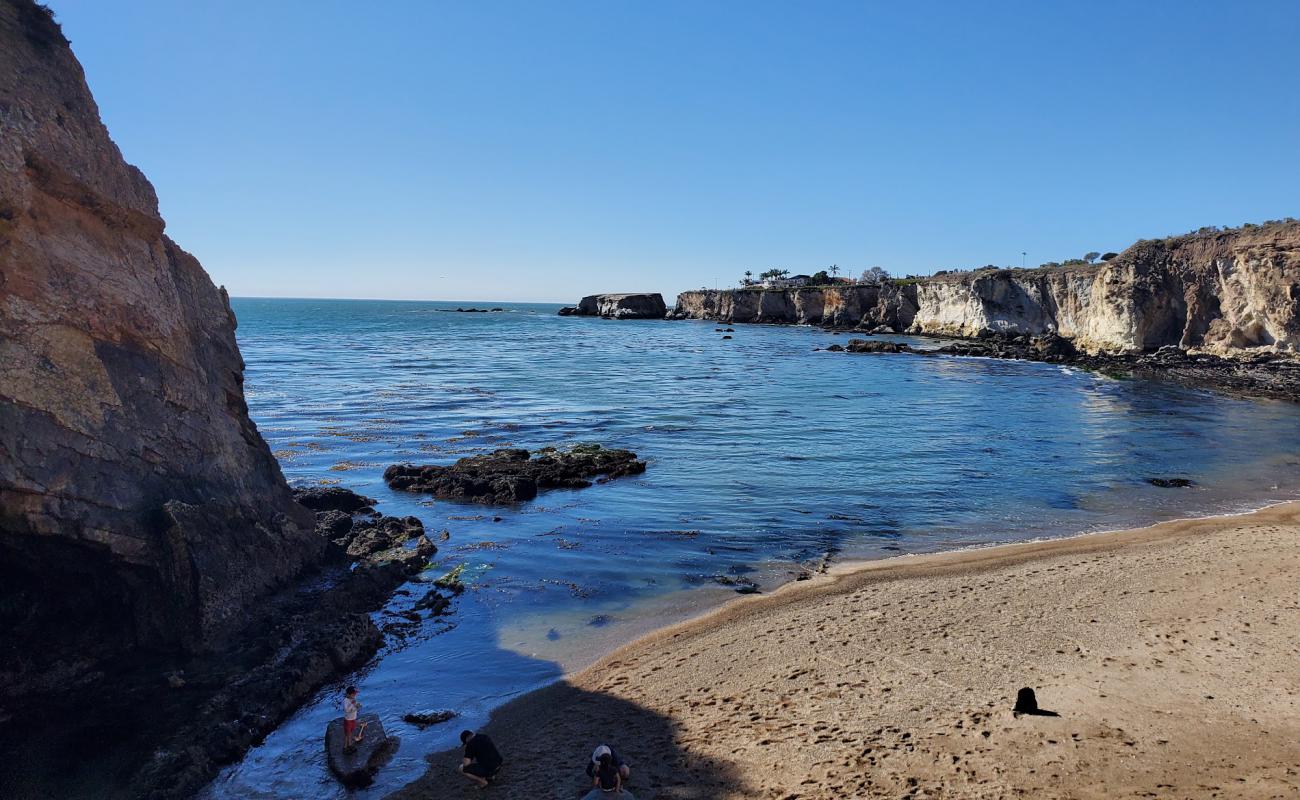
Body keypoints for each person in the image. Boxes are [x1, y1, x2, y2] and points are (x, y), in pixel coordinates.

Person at [341, 686, 362, 751]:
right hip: (348, 720)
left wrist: (357, 705)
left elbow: (356, 705)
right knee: (347, 734)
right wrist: (352, 704)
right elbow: (347, 710)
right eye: (353, 694)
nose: (355, 695)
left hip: (353, 719)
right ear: (348, 694)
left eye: (355, 694)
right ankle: (345, 747)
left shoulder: (353, 699)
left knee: (351, 732)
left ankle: (349, 745)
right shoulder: (345, 701)